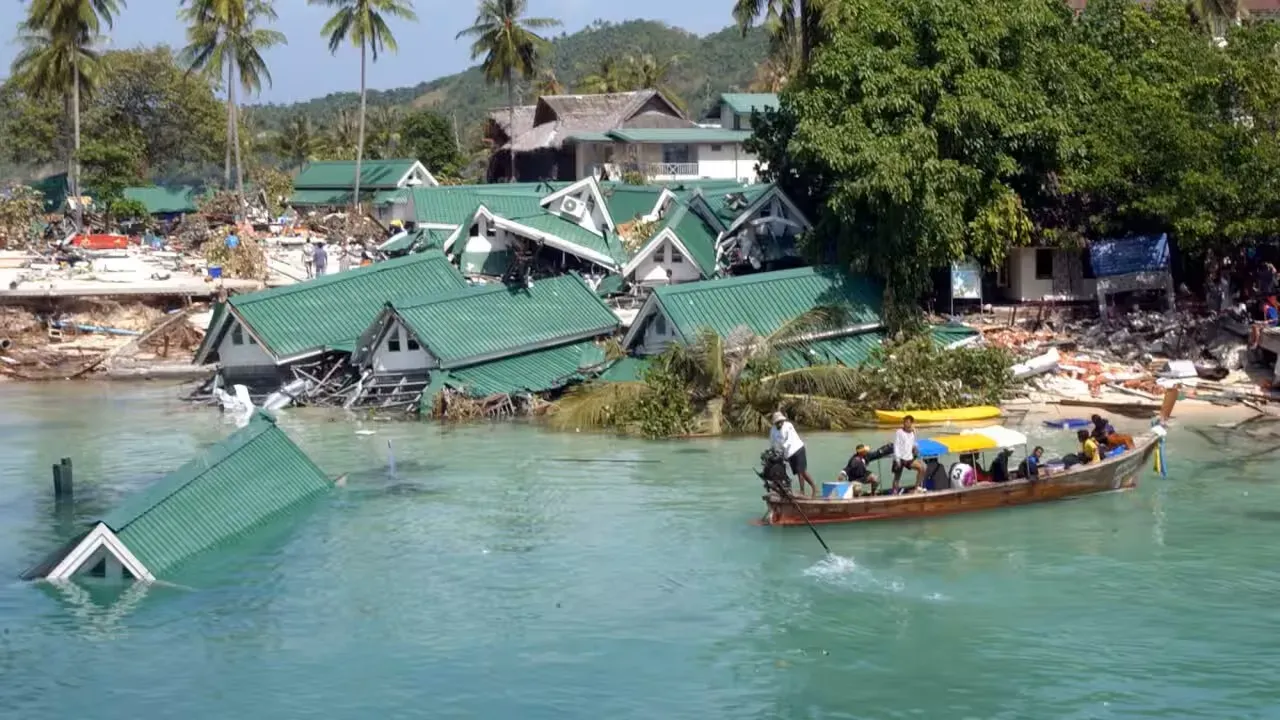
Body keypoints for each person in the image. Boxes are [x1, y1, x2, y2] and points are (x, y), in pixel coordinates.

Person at [769, 412, 816, 497]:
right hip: (788, 453)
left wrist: (782, 450)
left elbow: (789, 441)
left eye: (781, 421)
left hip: (797, 449)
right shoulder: (773, 430)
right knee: (800, 472)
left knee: (800, 471)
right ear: (775, 423)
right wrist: (773, 452)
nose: (780, 423)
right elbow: (773, 443)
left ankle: (806, 490)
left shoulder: (788, 426)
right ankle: (782, 489)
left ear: (783, 421)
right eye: (777, 422)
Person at [891, 415, 925, 494]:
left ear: (911, 423)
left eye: (908, 422)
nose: (905, 424)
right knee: (897, 477)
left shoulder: (913, 432)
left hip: (909, 458)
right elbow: (896, 446)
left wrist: (915, 448)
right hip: (900, 458)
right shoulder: (899, 432)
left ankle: (916, 488)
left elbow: (913, 443)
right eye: (904, 422)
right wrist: (897, 459)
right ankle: (894, 493)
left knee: (922, 468)